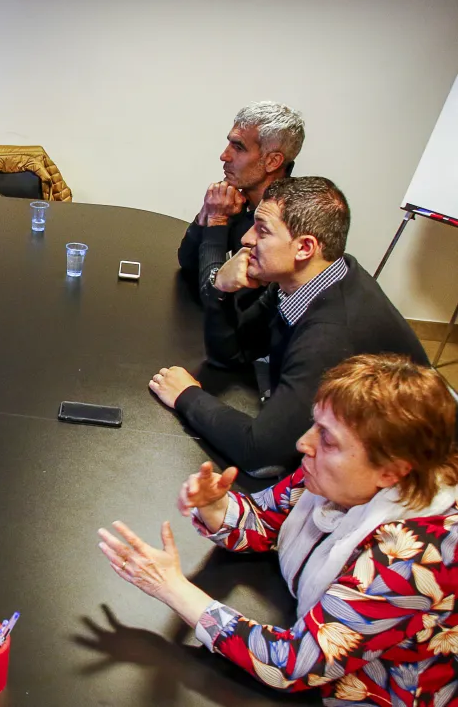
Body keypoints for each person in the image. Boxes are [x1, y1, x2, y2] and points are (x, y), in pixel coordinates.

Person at [101, 354, 458, 706]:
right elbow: (266, 519)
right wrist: (215, 507)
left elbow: (292, 664)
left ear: (391, 472)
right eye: (314, 424)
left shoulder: (414, 556)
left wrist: (172, 588)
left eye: (328, 439)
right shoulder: (330, 474)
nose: (305, 443)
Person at [150, 176, 427, 477]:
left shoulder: (330, 335)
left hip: (414, 472)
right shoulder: (308, 278)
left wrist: (187, 395)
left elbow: (260, 453)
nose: (247, 239)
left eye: (263, 231)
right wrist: (221, 291)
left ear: (305, 247)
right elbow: (232, 354)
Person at [177, 102, 304, 306]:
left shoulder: (284, 227)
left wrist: (217, 221)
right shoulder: (240, 202)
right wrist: (206, 215)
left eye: (238, 147)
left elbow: (217, 300)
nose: (224, 156)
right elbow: (188, 263)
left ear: (272, 162)